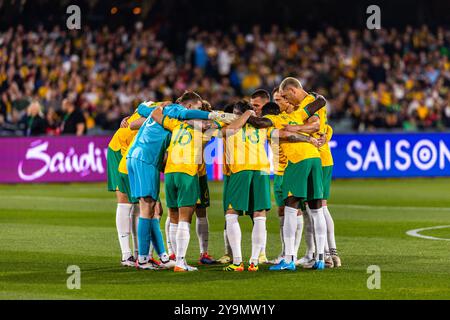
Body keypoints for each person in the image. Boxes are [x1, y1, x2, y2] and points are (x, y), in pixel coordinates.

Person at [126, 91, 236, 270]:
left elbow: (140, 111)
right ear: (190, 106)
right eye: (198, 108)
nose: (197, 112)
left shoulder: (163, 113)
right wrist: (216, 115)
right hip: (148, 158)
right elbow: (188, 115)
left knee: (153, 208)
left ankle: (162, 256)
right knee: (149, 208)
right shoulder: (177, 113)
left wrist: (152, 105)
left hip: (137, 156)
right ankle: (144, 259)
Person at [107, 101, 154, 267]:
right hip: (119, 149)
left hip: (129, 148)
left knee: (137, 204)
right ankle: (126, 255)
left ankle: (138, 253)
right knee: (125, 201)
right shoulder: (164, 110)